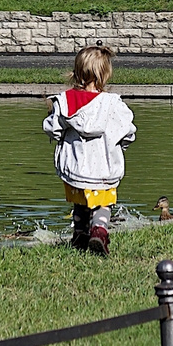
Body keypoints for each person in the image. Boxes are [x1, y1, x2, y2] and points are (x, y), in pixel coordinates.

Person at [41, 46, 136, 256]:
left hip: (75, 166)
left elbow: (52, 128)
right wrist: (123, 143)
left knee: (80, 201)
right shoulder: (112, 104)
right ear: (105, 74)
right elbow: (128, 131)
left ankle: (80, 233)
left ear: (76, 71)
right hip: (103, 166)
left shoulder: (65, 102)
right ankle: (99, 231)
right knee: (102, 202)